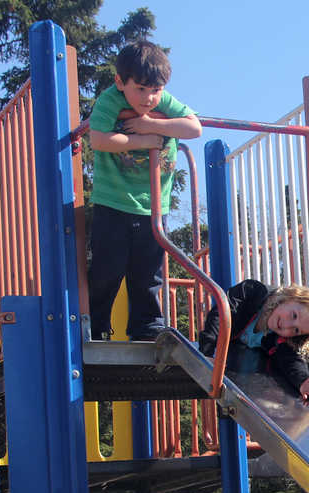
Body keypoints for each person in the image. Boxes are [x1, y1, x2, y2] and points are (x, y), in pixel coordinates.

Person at [88, 40, 202, 342]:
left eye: (156, 90)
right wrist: (143, 140)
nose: (149, 98)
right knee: (107, 269)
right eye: (140, 89)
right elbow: (98, 139)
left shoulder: (162, 103)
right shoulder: (110, 101)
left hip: (153, 206)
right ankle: (96, 324)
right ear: (120, 82)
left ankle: (147, 325)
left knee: (148, 272)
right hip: (113, 202)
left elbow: (194, 128)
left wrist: (152, 124)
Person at [197, 279, 309, 400]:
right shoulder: (251, 292)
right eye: (294, 315)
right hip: (216, 345)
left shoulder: (279, 338)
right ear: (291, 297)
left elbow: (290, 359)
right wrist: (207, 352)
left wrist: (303, 380)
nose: (288, 325)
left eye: (296, 330)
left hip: (238, 362)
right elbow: (220, 316)